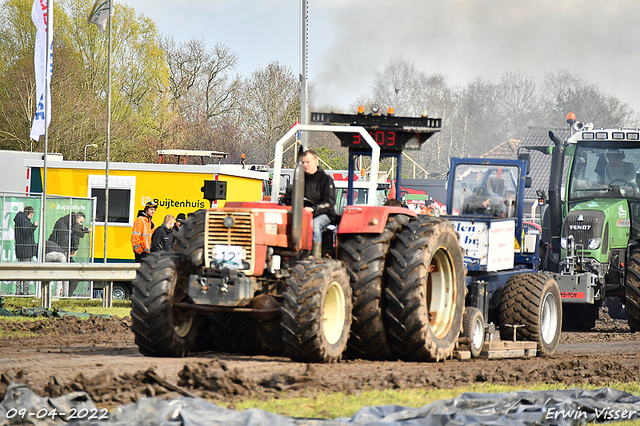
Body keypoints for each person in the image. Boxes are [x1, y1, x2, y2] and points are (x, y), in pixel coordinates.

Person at [301, 149, 336, 258]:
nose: (305, 165)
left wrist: (314, 209)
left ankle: (315, 255)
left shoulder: (325, 180)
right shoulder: (300, 180)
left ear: (316, 162)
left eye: (308, 162)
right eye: (303, 162)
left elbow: (329, 202)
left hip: (324, 214)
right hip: (303, 213)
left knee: (314, 224)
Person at [13, 206, 38, 295]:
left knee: (19, 270)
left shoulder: (19, 220)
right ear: (30, 214)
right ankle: (25, 291)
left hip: (20, 249)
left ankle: (18, 290)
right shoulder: (25, 221)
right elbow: (26, 232)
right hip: (26, 250)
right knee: (26, 271)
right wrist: (34, 226)